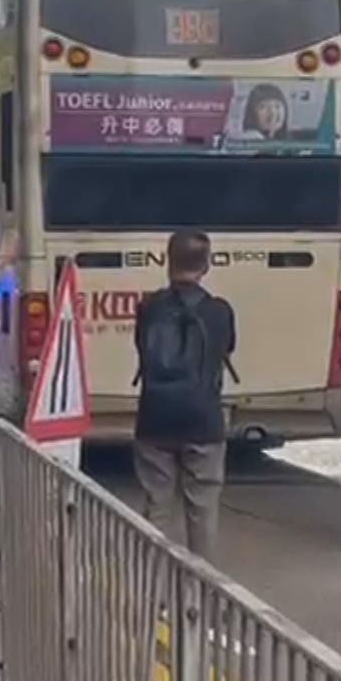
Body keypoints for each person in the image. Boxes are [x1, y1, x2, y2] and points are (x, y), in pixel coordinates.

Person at [132, 229, 237, 559]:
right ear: (206, 265)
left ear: (166, 261)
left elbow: (142, 348)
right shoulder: (220, 312)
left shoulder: (148, 308)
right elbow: (227, 348)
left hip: (155, 418)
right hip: (204, 420)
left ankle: (152, 583)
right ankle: (200, 587)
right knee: (203, 507)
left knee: (157, 504)